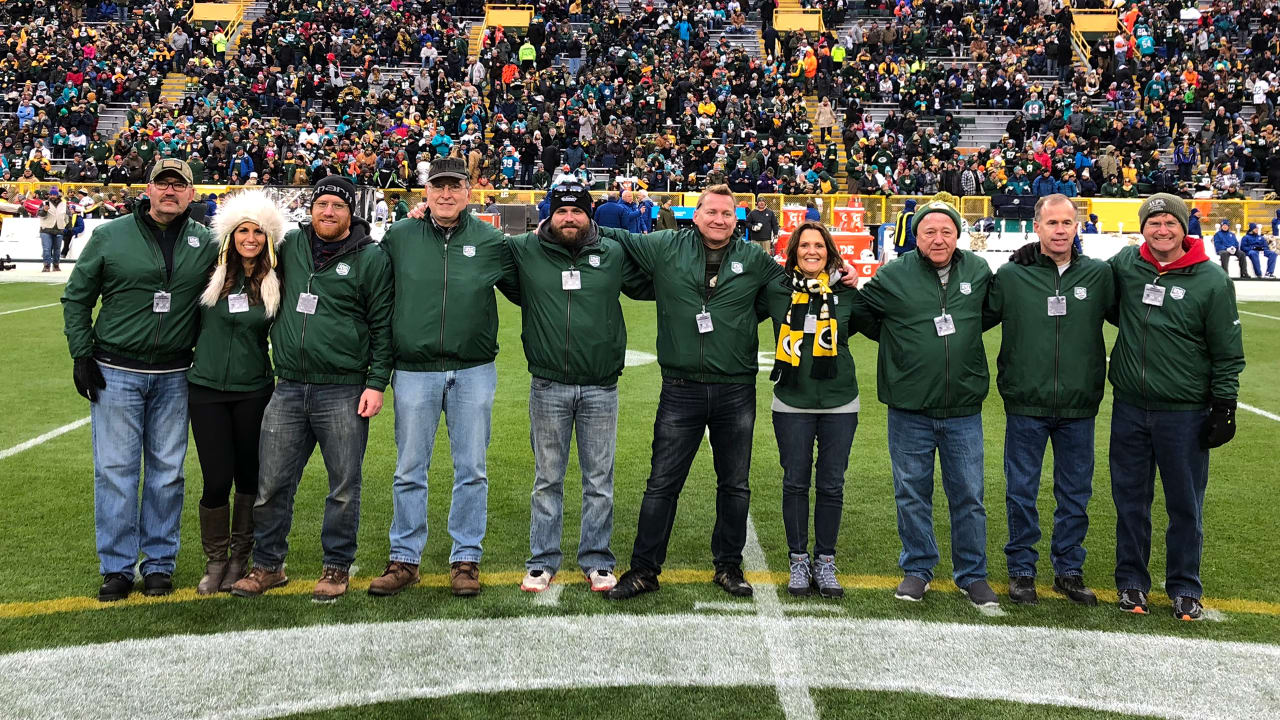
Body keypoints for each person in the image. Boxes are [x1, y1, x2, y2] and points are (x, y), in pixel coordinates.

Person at [606, 184, 786, 600]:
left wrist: (839, 273)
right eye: (711, 212)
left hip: (735, 387)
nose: (719, 219)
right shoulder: (667, 245)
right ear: (696, 214)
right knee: (662, 483)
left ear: (736, 219)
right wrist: (562, 224)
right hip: (681, 387)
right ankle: (645, 569)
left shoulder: (754, 258)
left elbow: (790, 286)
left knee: (735, 484)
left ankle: (728, 566)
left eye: (727, 213)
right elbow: (617, 237)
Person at [230, 175, 394, 603]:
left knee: (342, 485)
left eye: (337, 206)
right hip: (288, 387)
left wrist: (376, 383)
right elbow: (245, 258)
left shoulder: (371, 258)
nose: (328, 211)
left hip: (342, 389)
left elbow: (383, 326)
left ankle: (336, 567)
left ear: (350, 212)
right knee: (271, 484)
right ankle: (268, 565)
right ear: (311, 207)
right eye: (321, 203)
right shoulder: (289, 248)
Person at [62, 158, 217, 602]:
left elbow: (257, 249)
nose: (170, 192)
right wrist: (81, 354)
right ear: (148, 189)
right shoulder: (110, 235)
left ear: (192, 193)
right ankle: (116, 567)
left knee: (168, 474)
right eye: (162, 184)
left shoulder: (205, 241)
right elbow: (76, 297)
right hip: (117, 371)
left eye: (179, 185)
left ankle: (159, 564)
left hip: (174, 373)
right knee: (116, 471)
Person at [370, 156, 519, 598]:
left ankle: (466, 558)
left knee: (471, 468)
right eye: (439, 187)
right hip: (414, 370)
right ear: (426, 193)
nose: (447, 194)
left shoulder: (491, 240)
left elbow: (528, 287)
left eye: (455, 186)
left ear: (469, 193)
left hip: (473, 369)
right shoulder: (399, 236)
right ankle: (405, 558)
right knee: (409, 469)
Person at [852, 201, 1000, 608]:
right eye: (929, 232)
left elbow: (986, 314)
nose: (938, 238)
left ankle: (972, 574)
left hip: (962, 407)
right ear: (915, 237)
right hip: (909, 408)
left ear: (958, 234)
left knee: (968, 495)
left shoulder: (978, 271)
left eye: (946, 231)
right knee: (912, 492)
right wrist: (898, 342)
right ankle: (918, 568)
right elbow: (864, 314)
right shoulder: (894, 274)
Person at [506, 184, 652, 594]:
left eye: (577, 211)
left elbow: (659, 273)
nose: (569, 217)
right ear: (550, 214)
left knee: (599, 480)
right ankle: (541, 560)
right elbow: (485, 256)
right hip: (548, 383)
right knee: (547, 478)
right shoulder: (524, 250)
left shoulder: (614, 251)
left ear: (590, 214)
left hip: (601, 386)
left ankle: (597, 558)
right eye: (562, 210)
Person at [1107, 193, 1245, 620]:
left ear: (1184, 227)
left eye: (1170, 222)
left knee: (1185, 504)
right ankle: (1132, 581)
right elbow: (1090, 285)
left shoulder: (1211, 280)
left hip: (1184, 412)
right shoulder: (1126, 266)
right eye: (1154, 223)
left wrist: (1225, 404)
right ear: (1142, 227)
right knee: (1131, 502)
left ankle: (1184, 585)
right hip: (1130, 406)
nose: (1162, 230)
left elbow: (1227, 352)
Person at [995, 195, 1117, 606]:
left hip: (1079, 406)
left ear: (1077, 226)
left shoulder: (1100, 276)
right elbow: (971, 313)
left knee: (1075, 494)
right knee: (1021, 491)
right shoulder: (1013, 276)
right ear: (1037, 227)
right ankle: (1022, 570)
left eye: (1067, 222)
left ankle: (1068, 569)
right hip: (1026, 402)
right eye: (1052, 223)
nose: (1060, 230)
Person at [187, 191, 284, 595]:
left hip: (253, 391)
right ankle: (216, 559)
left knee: (248, 477)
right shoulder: (208, 273)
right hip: (206, 390)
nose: (250, 238)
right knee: (215, 479)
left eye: (258, 232)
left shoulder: (276, 279)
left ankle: (241, 556)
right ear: (230, 235)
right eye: (243, 230)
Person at [769, 221, 873, 599]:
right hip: (792, 401)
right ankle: (799, 560)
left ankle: (825, 561)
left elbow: (876, 323)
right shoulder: (776, 290)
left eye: (819, 246)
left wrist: (854, 281)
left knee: (831, 484)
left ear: (829, 251)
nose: (811, 251)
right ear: (793, 250)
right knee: (795, 482)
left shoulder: (846, 293)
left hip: (840, 401)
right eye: (804, 245)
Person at [39, 188, 69, 272]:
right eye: (51, 194)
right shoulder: (45, 203)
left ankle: (56, 265)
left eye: (54, 194)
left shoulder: (63, 204)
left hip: (59, 229)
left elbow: (67, 215)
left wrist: (66, 225)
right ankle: (46, 266)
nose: (52, 196)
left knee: (57, 249)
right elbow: (39, 214)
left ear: (57, 195)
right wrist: (44, 211)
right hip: (46, 229)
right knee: (46, 249)